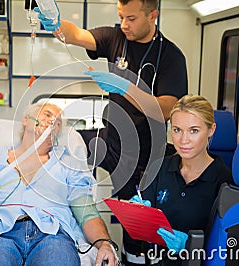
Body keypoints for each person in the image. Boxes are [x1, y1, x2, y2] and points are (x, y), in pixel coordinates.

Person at [35, 0, 188, 262]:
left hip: (145, 153)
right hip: (112, 138)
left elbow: (165, 109)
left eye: (131, 18)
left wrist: (124, 86)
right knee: (68, 142)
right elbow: (76, 35)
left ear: (153, 15)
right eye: (121, 17)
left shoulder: (171, 57)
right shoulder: (116, 38)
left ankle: (133, 258)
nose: (124, 25)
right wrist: (57, 24)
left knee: (136, 227)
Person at [0, 102, 117, 266]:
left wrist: (105, 244)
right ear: (26, 120)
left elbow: (86, 211)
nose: (51, 122)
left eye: (57, 123)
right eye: (47, 115)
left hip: (53, 235)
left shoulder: (67, 165)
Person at [130, 95, 234, 265]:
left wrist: (190, 246)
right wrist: (136, 213)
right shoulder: (160, 167)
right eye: (177, 130)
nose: (183, 140)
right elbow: (143, 225)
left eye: (194, 131)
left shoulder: (225, 181)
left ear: (211, 130)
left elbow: (229, 246)